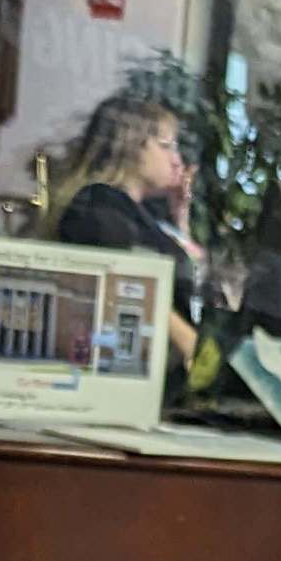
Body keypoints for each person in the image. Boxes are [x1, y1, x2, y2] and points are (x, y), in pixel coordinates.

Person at [57, 57, 206, 364]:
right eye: (166, 146)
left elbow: (179, 280)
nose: (177, 160)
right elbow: (133, 286)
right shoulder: (101, 206)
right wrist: (197, 354)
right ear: (132, 148)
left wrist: (180, 216)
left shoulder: (141, 213)